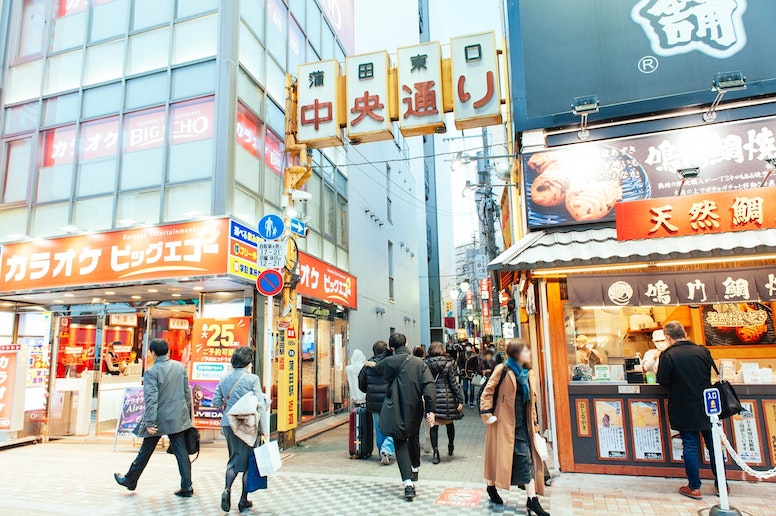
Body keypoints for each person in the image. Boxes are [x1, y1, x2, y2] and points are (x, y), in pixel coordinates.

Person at [114, 339, 193, 497]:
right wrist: (187, 416)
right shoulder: (179, 367)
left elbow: (151, 399)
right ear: (167, 351)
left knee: (146, 450)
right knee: (181, 452)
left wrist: (150, 422)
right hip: (178, 417)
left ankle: (130, 480)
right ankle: (187, 486)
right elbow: (186, 393)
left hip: (158, 419)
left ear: (153, 353)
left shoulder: (151, 372)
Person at [480, 340, 548, 516]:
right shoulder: (503, 369)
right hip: (503, 422)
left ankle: (532, 499)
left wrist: (534, 422)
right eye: (524, 351)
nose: (527, 354)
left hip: (523, 423)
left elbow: (531, 401)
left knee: (527, 459)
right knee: (499, 459)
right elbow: (488, 391)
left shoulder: (528, 372)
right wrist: (487, 414)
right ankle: (491, 486)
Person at [656, 321, 722, 500]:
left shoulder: (668, 355)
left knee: (690, 445)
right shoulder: (702, 351)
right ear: (684, 332)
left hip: (684, 405)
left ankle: (694, 487)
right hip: (708, 406)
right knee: (714, 445)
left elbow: (662, 380)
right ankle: (721, 485)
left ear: (668, 337)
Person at [367, 333, 436, 501]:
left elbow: (377, 365)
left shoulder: (389, 362)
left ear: (391, 347)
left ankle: (408, 484)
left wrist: (387, 353)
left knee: (399, 442)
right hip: (415, 408)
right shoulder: (419, 364)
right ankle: (415, 468)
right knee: (412, 437)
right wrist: (431, 410)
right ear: (406, 343)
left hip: (395, 408)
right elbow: (429, 386)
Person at [212, 346, 267, 513]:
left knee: (234, 458)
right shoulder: (252, 379)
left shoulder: (224, 379)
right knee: (248, 462)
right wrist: (264, 429)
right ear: (248, 362)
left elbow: (215, 402)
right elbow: (260, 405)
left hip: (228, 425)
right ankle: (243, 499)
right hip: (247, 426)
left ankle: (227, 490)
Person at [425, 341, 463, 464]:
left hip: (432, 398)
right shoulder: (448, 364)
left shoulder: (425, 364)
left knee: (433, 425)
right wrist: (459, 399)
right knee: (449, 423)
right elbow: (453, 383)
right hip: (447, 399)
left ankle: (435, 452)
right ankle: (450, 445)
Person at [359, 341, 395, 464]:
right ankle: (386, 449)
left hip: (374, 402)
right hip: (390, 401)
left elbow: (361, 384)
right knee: (393, 427)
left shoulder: (367, 365)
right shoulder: (390, 363)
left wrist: (370, 392)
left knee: (379, 429)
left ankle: (382, 453)